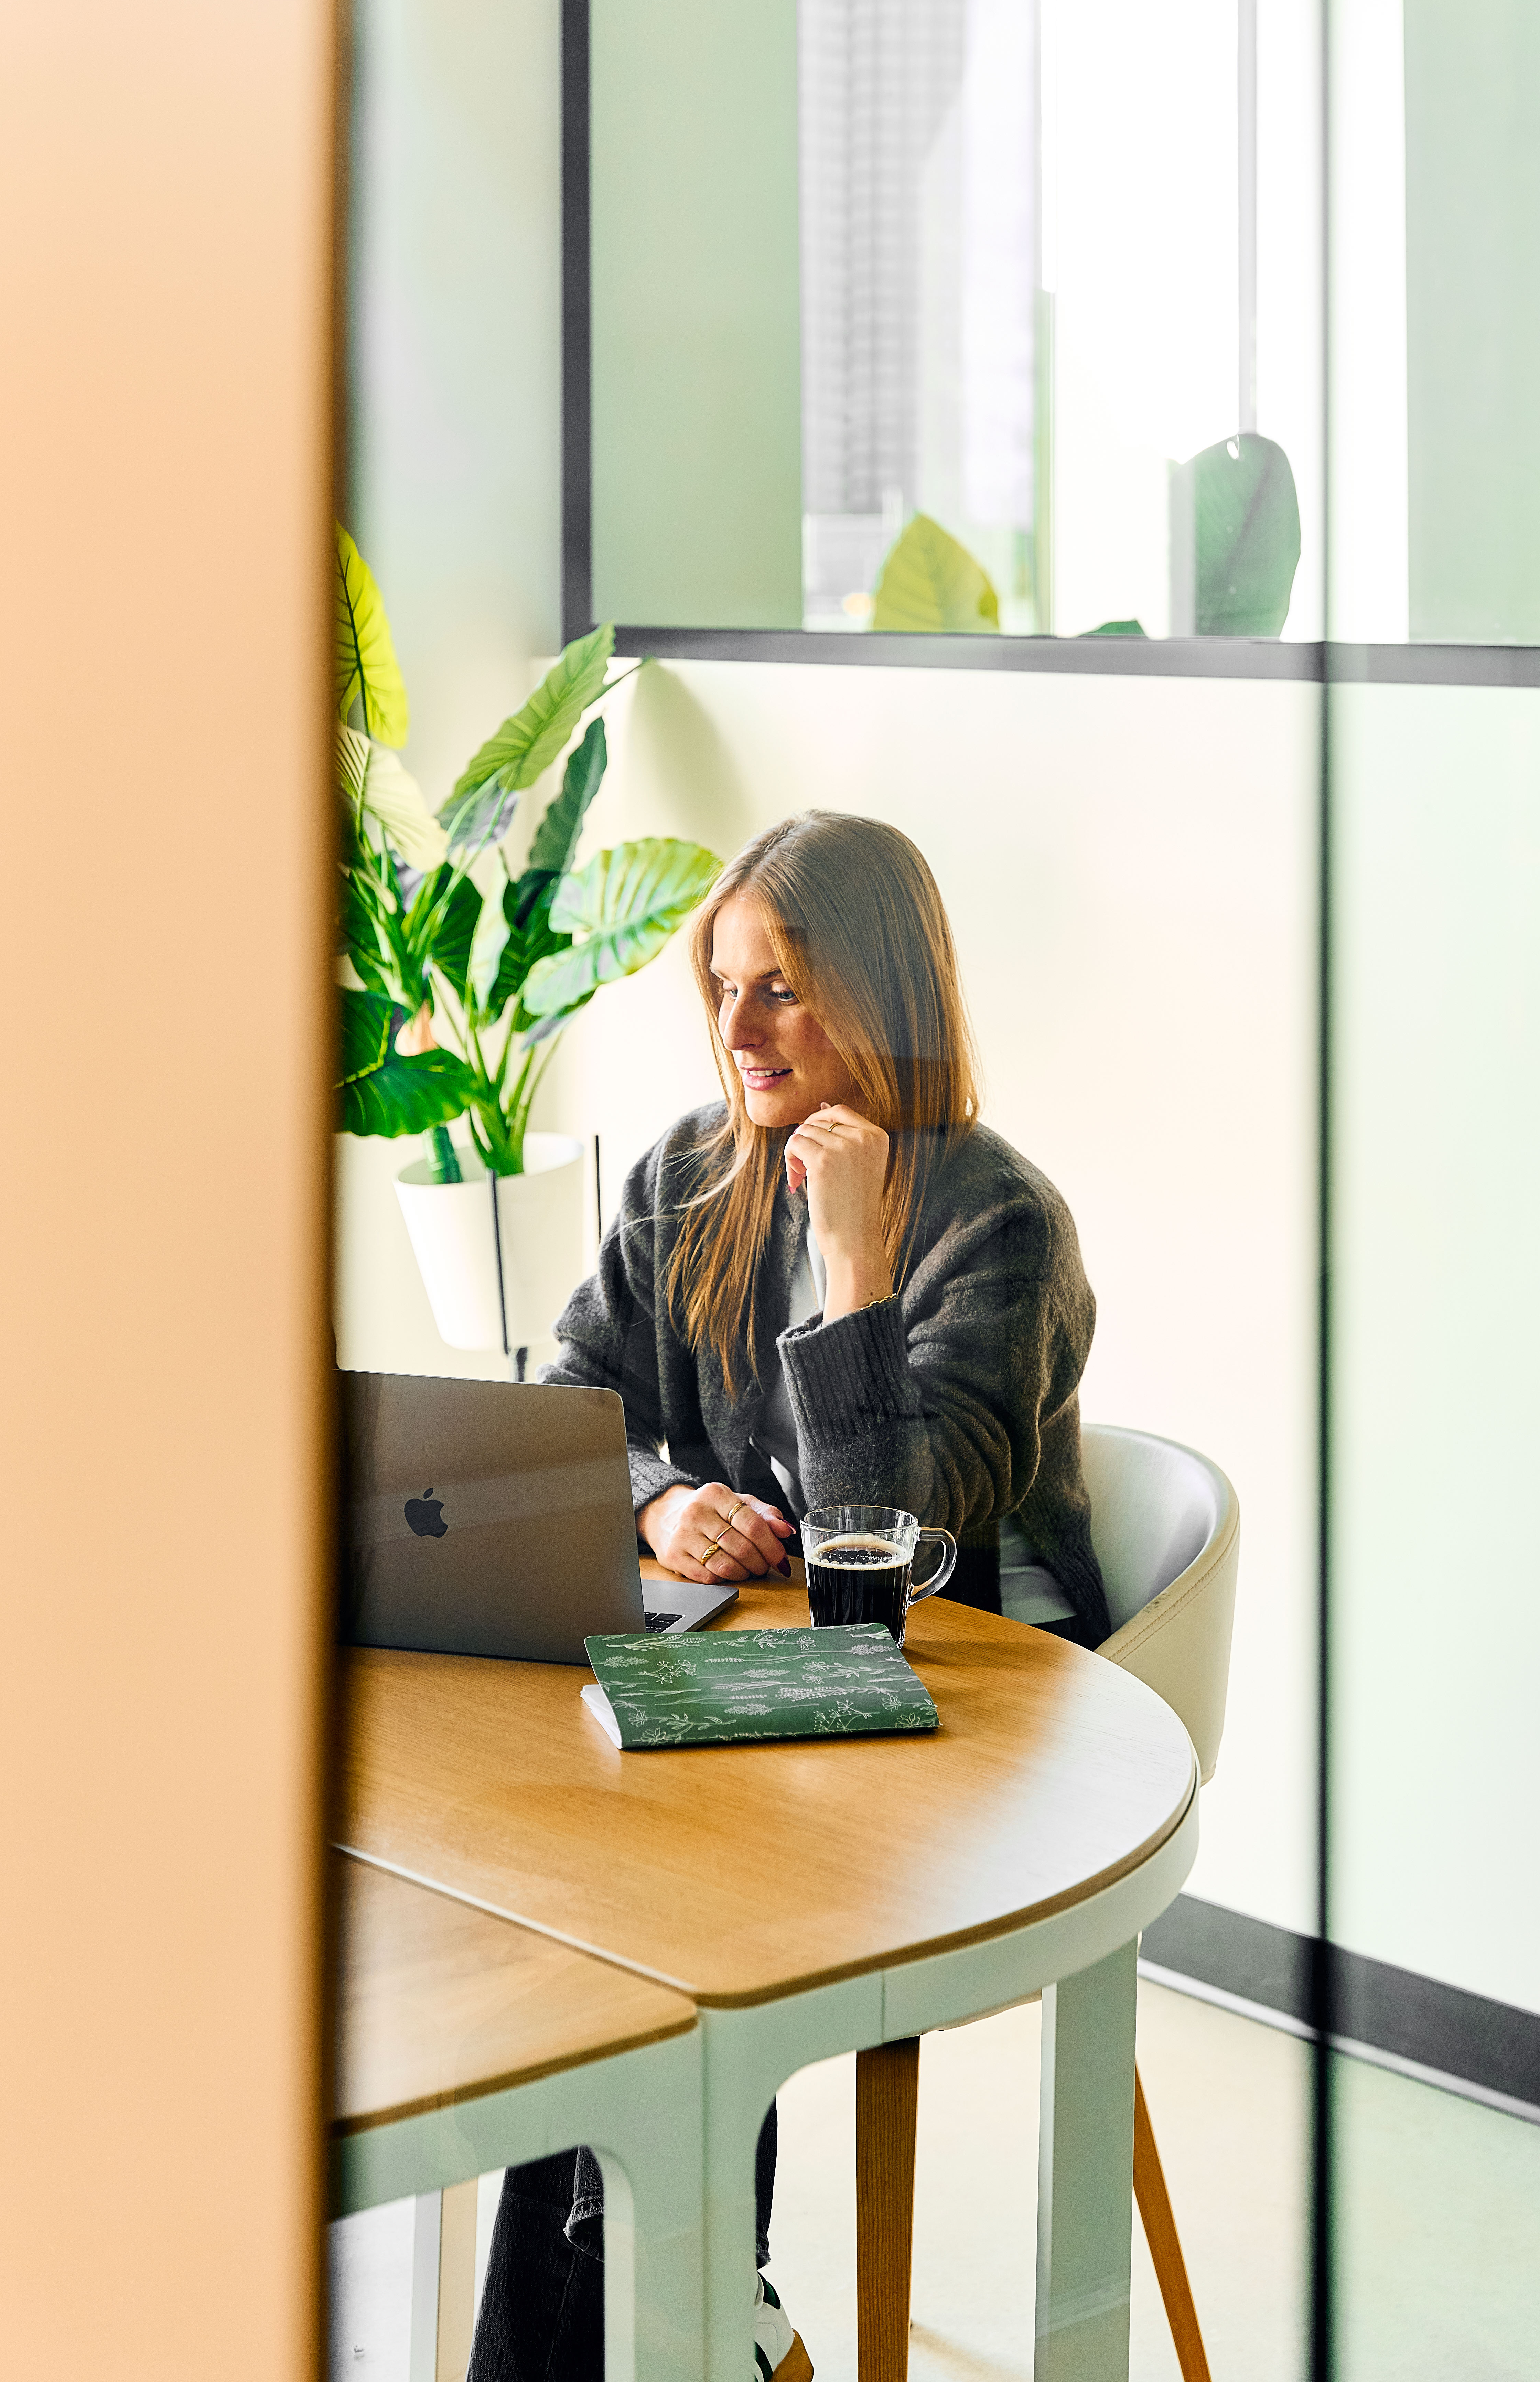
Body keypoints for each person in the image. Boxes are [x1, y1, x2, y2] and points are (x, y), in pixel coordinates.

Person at [467, 811, 1109, 2382]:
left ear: (880, 995)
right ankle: (696, 2309)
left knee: (659, 1910)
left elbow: (875, 1539)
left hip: (970, 1730)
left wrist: (851, 1263)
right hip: (770, 1703)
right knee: (588, 1902)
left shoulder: (996, 1223)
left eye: (781, 990)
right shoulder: (688, 1169)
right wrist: (663, 1498)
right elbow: (571, 1397)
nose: (735, 1029)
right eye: (722, 985)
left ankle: (688, 2308)